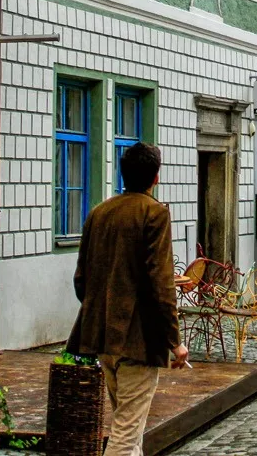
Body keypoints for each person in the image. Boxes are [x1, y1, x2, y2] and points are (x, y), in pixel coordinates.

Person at [68, 142, 189, 456]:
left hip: (101, 338)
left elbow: (81, 279)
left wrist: (100, 313)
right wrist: (174, 341)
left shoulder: (99, 212)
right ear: (156, 177)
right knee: (125, 433)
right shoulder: (154, 212)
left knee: (131, 431)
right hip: (137, 341)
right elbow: (161, 284)